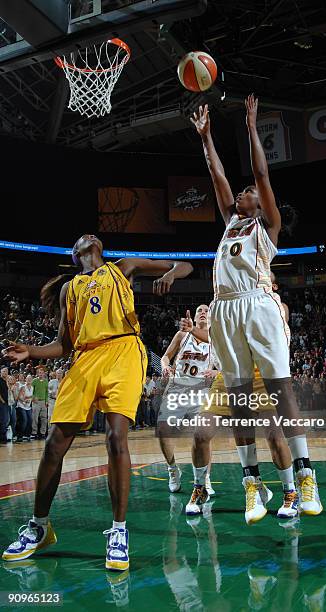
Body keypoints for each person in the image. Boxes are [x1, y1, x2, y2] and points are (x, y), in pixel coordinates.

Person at [2, 233, 193, 570]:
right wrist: (31, 350)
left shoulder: (124, 267)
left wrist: (170, 274)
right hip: (86, 358)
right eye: (81, 238)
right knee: (54, 442)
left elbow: (185, 264)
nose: (89, 235)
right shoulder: (70, 289)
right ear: (76, 253)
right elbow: (63, 344)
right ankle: (39, 526)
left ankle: (119, 532)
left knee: (116, 437)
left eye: (93, 235)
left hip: (123, 351)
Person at [190, 97, 322, 519]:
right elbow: (217, 173)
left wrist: (250, 127)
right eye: (244, 192)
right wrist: (206, 136)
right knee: (240, 399)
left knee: (281, 391)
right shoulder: (231, 221)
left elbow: (261, 172)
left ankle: (305, 476)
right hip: (225, 310)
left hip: (257, 304)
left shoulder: (268, 227)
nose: (245, 192)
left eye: (250, 194)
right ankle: (252, 483)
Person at [181, 274, 299, 522]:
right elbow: (216, 337)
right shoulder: (233, 303)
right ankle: (200, 488)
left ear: (272, 285)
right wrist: (194, 330)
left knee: (274, 435)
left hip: (263, 375)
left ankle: (290, 492)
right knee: (201, 433)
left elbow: (267, 327)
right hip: (230, 375)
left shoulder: (276, 305)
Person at [158, 305, 215, 496]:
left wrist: (216, 372)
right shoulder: (182, 335)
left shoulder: (215, 339)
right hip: (177, 388)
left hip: (201, 391)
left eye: (206, 310)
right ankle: (173, 469)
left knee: (203, 436)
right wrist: (165, 367)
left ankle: (205, 478)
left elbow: (228, 366)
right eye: (199, 310)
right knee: (164, 431)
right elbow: (165, 357)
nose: (203, 312)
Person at [31, 367, 48, 440]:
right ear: (37, 373)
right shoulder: (34, 381)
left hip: (43, 401)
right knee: (35, 418)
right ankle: (34, 432)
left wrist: (47, 400)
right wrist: (33, 398)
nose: (40, 374)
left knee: (44, 418)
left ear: (44, 373)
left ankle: (42, 433)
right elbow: (31, 390)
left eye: (42, 373)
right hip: (36, 402)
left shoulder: (46, 381)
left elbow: (47, 392)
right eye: (39, 373)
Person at [16, 374, 33, 442]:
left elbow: (30, 396)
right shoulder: (23, 387)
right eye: (28, 379)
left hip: (28, 407)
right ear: (25, 379)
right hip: (21, 406)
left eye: (30, 379)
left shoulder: (32, 387)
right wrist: (24, 401)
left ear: (32, 380)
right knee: (24, 420)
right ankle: (19, 436)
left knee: (30, 421)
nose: (29, 380)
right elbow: (19, 397)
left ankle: (27, 435)